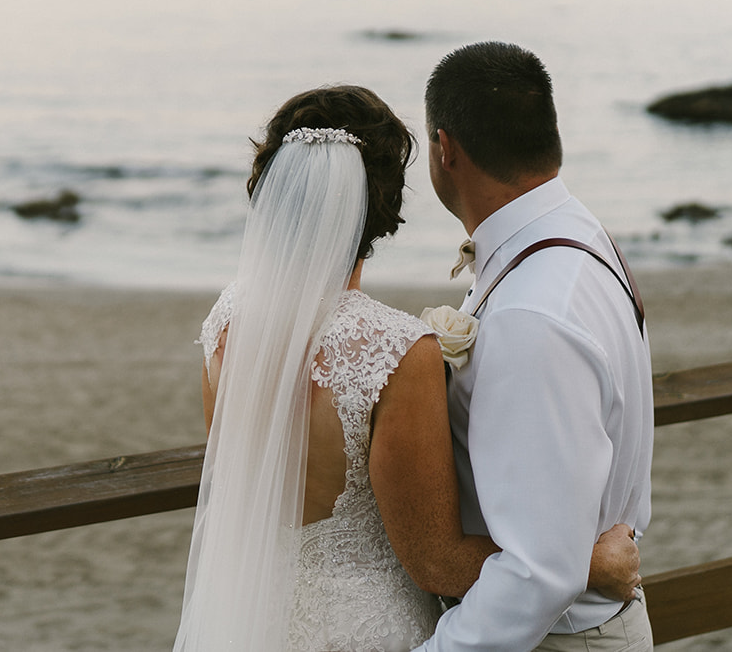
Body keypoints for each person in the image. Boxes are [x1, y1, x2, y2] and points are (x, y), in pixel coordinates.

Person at [173, 85, 640, 652]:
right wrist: (586, 563)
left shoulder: (225, 323)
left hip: (256, 620)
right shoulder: (395, 350)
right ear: (382, 207)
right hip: (366, 627)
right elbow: (437, 565)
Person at [415, 43, 654, 652]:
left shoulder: (531, 311)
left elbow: (538, 570)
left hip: (558, 638)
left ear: (446, 149)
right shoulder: (580, 236)